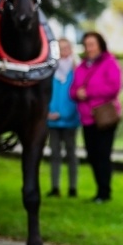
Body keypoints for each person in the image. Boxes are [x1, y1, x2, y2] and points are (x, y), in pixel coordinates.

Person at [70, 31, 122, 203]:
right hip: (87, 118)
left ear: (100, 45)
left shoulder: (110, 63)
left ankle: (104, 192)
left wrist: (89, 92)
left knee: (102, 154)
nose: (89, 48)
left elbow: (113, 87)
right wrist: (77, 93)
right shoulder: (81, 67)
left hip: (104, 117)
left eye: (92, 44)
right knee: (92, 155)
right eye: (86, 45)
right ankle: (99, 189)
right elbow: (73, 90)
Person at [46, 38, 80, 198]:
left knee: (71, 154)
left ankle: (72, 188)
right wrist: (48, 112)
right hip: (52, 121)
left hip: (70, 121)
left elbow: (76, 96)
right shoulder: (50, 71)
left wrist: (64, 113)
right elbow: (46, 94)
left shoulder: (76, 71)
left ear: (71, 49)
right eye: (60, 48)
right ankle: (55, 187)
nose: (63, 51)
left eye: (66, 48)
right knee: (54, 155)